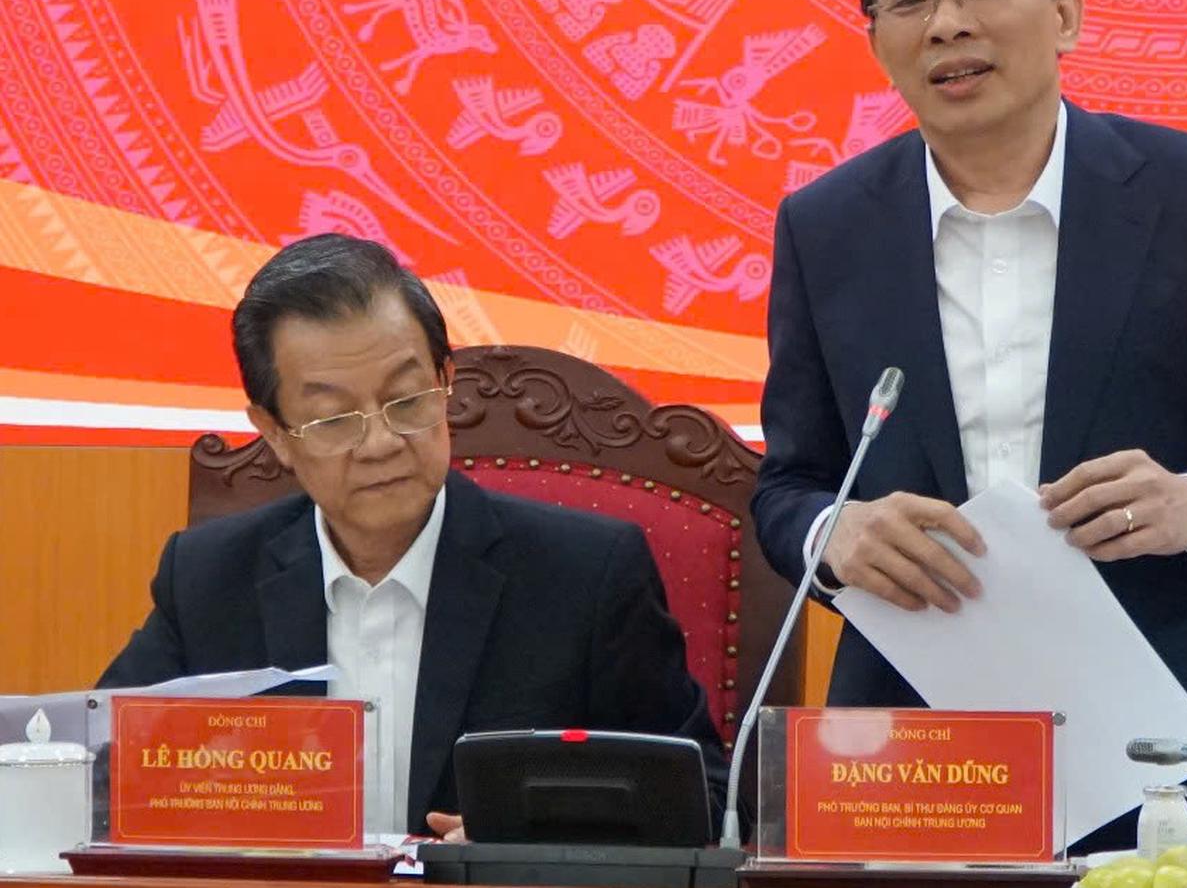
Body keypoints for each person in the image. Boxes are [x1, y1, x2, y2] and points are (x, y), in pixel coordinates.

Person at [751, 0, 1187, 848]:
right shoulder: (827, 228)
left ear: (1063, 12)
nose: (947, 25)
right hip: (914, 750)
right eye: (910, 1)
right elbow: (790, 484)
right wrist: (833, 532)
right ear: (878, 40)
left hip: (1171, 733)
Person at [99, 234, 726, 837]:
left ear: (445, 382)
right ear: (275, 434)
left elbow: (707, 797)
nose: (380, 444)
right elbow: (99, 771)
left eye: (405, 400)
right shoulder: (209, 580)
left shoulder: (586, 576)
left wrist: (534, 834)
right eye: (333, 419)